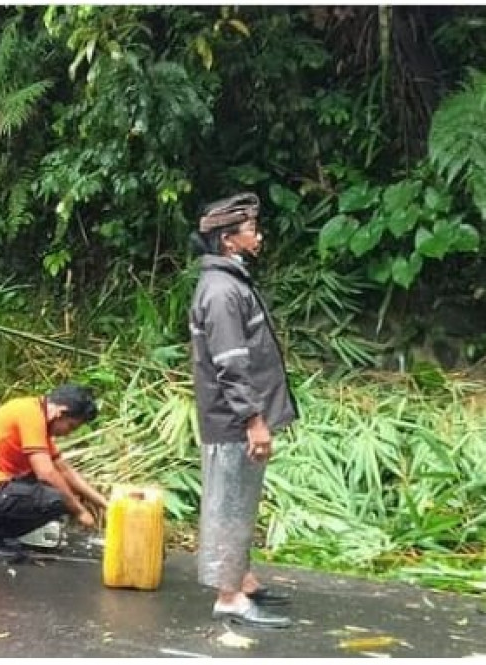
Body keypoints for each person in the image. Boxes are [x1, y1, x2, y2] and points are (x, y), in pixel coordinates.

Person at [188, 192, 299, 629]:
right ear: (228, 240)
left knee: (241, 500)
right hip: (233, 419)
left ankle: (242, 580)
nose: (259, 236)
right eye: (252, 230)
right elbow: (230, 363)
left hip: (239, 416)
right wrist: (253, 420)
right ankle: (229, 597)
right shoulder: (221, 291)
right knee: (229, 503)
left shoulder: (231, 280)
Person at [0, 384, 108, 563]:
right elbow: (46, 473)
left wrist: (104, 504)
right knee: (55, 498)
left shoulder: (37, 417)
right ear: (60, 413)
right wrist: (79, 511)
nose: (67, 433)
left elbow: (64, 470)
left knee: (65, 493)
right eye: (70, 426)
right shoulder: (29, 414)